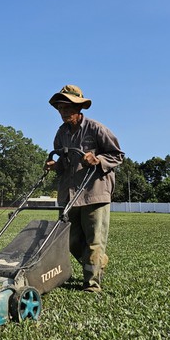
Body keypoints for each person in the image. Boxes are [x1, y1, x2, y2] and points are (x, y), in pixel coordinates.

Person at [45, 85, 124, 292]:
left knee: (94, 240)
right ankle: (98, 263)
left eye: (67, 107)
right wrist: (56, 166)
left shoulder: (96, 129)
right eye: (60, 108)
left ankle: (92, 283)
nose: (63, 112)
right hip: (70, 195)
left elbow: (117, 155)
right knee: (69, 240)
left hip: (94, 193)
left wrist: (96, 159)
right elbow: (64, 163)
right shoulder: (61, 133)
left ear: (78, 108)